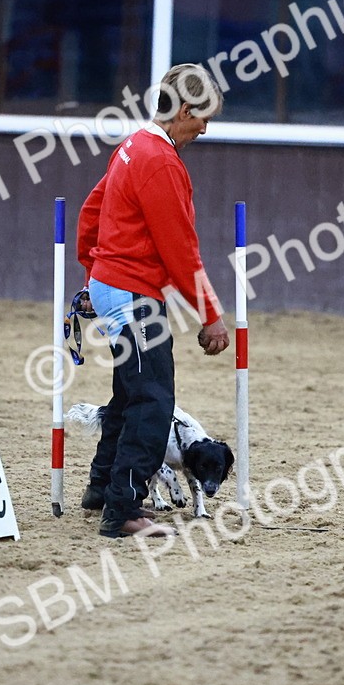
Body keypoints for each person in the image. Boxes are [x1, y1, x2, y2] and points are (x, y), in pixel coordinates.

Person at [76, 63, 230, 539]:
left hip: (112, 285)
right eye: (203, 116)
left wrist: (92, 275)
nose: (206, 127)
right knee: (154, 401)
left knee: (128, 395)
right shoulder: (162, 162)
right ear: (183, 110)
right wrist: (211, 316)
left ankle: (101, 488)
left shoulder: (129, 148)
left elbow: (90, 214)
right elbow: (181, 250)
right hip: (133, 294)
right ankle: (123, 510)